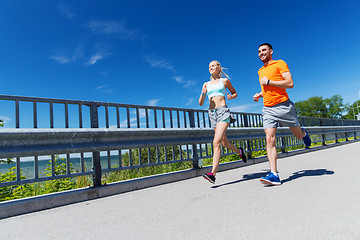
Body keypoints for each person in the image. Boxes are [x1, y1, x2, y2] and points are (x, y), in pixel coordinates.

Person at [253, 43, 311, 186]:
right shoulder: (260, 70)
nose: (261, 53)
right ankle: (274, 174)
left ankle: (304, 134)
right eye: (259, 51)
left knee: (297, 134)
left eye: (264, 50)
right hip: (268, 109)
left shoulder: (280, 63)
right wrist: (260, 94)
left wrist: (269, 81)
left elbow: (290, 83)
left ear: (271, 51)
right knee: (269, 138)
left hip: (284, 106)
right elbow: (268, 89)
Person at [199, 60, 247, 184]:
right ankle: (240, 151)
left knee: (216, 142)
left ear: (219, 68)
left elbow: (235, 93)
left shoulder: (224, 81)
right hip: (212, 114)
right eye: (209, 66)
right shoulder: (206, 84)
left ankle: (213, 174)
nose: (211, 67)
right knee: (224, 143)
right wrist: (203, 94)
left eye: (213, 65)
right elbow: (200, 103)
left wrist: (231, 96)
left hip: (223, 112)